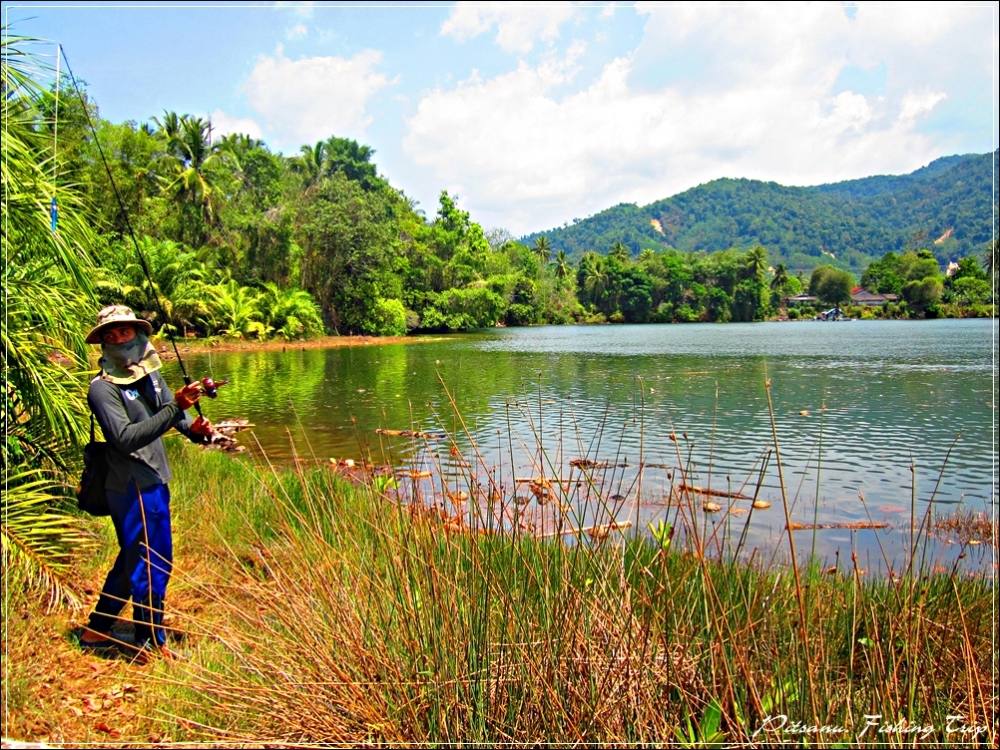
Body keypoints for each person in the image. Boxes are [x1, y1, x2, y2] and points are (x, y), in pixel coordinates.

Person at [78, 305, 213, 659]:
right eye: (111, 334)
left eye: (125, 332)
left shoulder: (149, 375)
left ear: (138, 335)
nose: (120, 339)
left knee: (132, 557)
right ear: (104, 344)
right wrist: (173, 410)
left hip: (155, 476)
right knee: (153, 559)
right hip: (131, 485)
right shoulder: (102, 390)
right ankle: (150, 639)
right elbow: (124, 438)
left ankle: (98, 628)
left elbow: (172, 412)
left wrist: (194, 431)